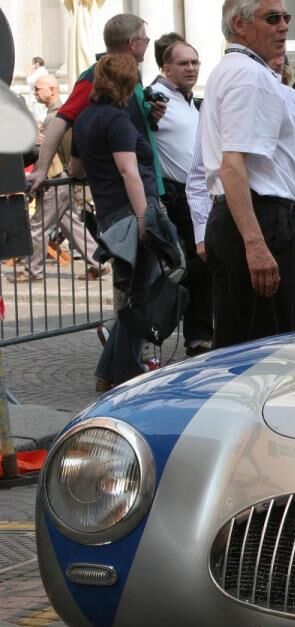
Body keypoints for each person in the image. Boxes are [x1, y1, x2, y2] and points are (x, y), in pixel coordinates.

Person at [69, 54, 181, 392]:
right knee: (142, 295)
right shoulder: (116, 120)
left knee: (136, 293)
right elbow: (129, 171)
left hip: (109, 216)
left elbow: (75, 171)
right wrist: (144, 216)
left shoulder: (85, 119)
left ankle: (108, 373)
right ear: (127, 83)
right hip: (130, 214)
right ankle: (125, 373)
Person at [199, 0, 295, 349]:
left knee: (244, 342)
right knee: (265, 351)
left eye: (286, 17)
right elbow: (232, 164)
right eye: (272, 18)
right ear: (240, 25)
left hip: (248, 217)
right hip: (258, 218)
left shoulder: (235, 70)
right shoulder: (248, 74)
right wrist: (256, 244)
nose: (284, 26)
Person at [27, 14, 167, 198]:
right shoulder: (95, 77)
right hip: (125, 193)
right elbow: (61, 120)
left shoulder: (132, 74)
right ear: (132, 43)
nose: (147, 44)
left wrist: (151, 115)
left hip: (146, 183)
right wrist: (42, 169)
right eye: (145, 40)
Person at [149, 34, 213, 356]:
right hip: (178, 197)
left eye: (195, 62)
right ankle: (160, 332)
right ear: (165, 68)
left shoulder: (191, 100)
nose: (191, 68)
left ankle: (199, 335)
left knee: (201, 269)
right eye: (183, 63)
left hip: (201, 195)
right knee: (191, 270)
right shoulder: (154, 99)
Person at [11, 75, 101, 283]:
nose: (35, 93)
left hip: (55, 178)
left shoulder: (58, 117)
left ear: (52, 89)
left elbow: (69, 147)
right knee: (71, 225)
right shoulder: (53, 116)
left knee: (38, 227)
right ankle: (99, 262)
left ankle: (33, 271)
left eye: (38, 89)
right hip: (58, 178)